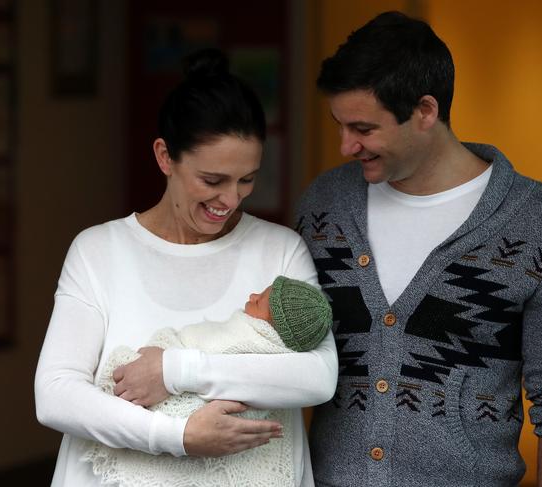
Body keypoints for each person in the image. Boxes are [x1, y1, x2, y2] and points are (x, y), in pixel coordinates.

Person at [296, 11, 542, 487]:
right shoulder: (325, 206)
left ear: (425, 111)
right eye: (339, 125)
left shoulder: (539, 222)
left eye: (364, 129)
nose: (346, 145)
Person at [35, 48, 338, 486]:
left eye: (247, 179)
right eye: (213, 181)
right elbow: (55, 395)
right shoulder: (99, 251)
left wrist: (174, 372)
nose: (231, 200)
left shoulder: (279, 251)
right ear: (164, 157)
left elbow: (317, 377)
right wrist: (178, 435)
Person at [82, 276, 333, 486]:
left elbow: (219, 349)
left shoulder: (255, 343)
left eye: (261, 302)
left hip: (195, 409)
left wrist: (169, 361)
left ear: (273, 326)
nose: (253, 295)